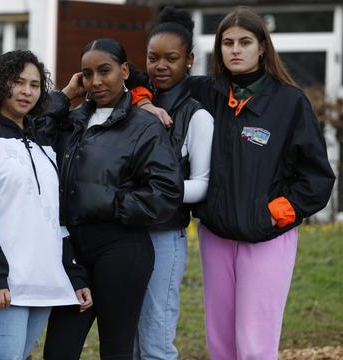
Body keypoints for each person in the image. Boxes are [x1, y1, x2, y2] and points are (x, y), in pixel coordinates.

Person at [136, 7, 335, 359]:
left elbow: (317, 177)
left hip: (266, 237)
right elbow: (145, 77)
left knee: (254, 344)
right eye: (227, 42)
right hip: (217, 235)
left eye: (245, 42)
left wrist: (276, 213)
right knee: (221, 343)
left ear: (262, 48)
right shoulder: (204, 92)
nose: (235, 50)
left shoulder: (289, 102)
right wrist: (144, 102)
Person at [40, 38, 183, 360]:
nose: (96, 81)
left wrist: (111, 203)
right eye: (87, 74)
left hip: (121, 248)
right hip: (71, 251)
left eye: (105, 71)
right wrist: (64, 96)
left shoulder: (144, 126)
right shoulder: (72, 120)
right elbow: (34, 137)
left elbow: (166, 192)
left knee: (116, 350)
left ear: (124, 71)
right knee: (58, 351)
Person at [0, 49, 92, 360]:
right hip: (1, 285)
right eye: (18, 82)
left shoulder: (40, 143)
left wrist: (73, 274)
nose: (27, 91)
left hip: (43, 283)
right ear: (0, 84)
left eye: (35, 84)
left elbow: (53, 219)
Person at [133, 7, 214, 360]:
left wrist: (156, 193)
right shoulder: (134, 104)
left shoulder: (198, 115)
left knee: (155, 337)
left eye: (172, 58)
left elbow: (203, 183)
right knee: (128, 338)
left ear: (190, 60)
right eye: (153, 58)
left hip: (166, 234)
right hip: (126, 232)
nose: (161, 65)